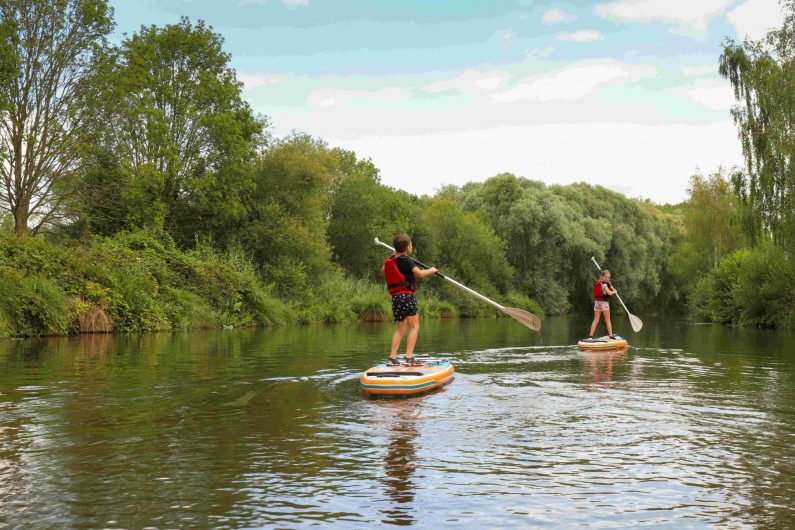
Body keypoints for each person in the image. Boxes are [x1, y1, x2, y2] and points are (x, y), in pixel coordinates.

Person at [382, 234, 437, 366]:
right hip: (407, 297)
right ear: (407, 247)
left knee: (400, 329)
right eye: (411, 244)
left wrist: (392, 255)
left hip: (396, 298)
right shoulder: (406, 260)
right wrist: (431, 270)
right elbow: (420, 274)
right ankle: (408, 358)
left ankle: (392, 358)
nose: (412, 246)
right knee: (414, 326)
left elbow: (384, 270)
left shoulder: (390, 261)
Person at [589, 269, 618, 339]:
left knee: (595, 320)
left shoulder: (598, 283)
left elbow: (604, 289)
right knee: (608, 320)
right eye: (606, 277)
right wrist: (615, 291)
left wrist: (610, 285)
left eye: (608, 277)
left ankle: (590, 336)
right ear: (602, 276)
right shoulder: (604, 285)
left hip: (597, 304)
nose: (607, 278)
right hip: (604, 304)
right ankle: (610, 335)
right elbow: (609, 293)